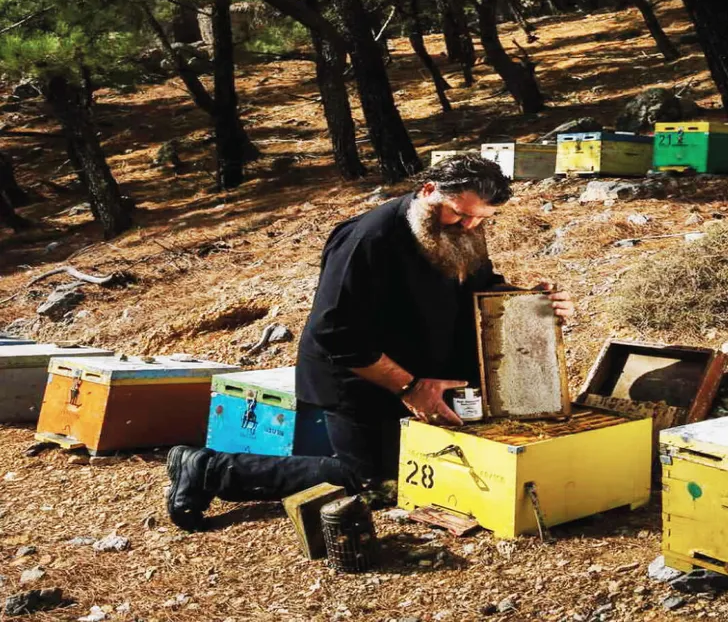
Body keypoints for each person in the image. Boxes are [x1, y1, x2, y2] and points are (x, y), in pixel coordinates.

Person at [165, 153, 573, 530]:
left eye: (481, 219)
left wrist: (529, 302)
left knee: (420, 472)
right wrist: (411, 388)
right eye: (459, 213)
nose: (468, 226)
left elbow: (477, 289)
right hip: (357, 377)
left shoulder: (463, 230)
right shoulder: (368, 238)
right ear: (429, 190)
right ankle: (207, 468)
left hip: (421, 370)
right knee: (371, 482)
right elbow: (336, 331)